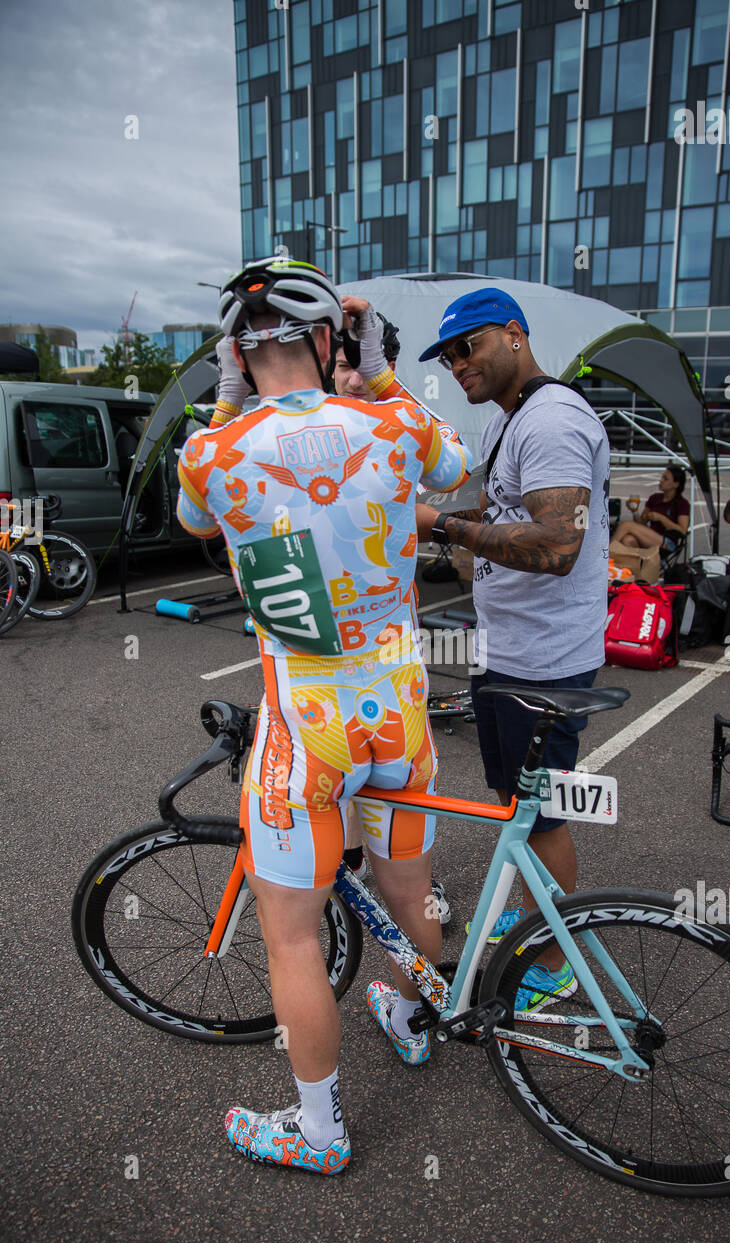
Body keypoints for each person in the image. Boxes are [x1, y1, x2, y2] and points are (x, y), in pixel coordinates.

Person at [176, 257, 469, 1174]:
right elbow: (452, 469)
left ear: (235, 350)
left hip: (307, 721)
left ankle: (320, 1132)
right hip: (399, 710)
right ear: (328, 339)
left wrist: (228, 401)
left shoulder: (211, 452)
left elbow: (194, 523)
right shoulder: (389, 425)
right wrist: (377, 368)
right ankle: (418, 1014)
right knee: (411, 889)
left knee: (293, 934)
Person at [415, 288, 610, 1010]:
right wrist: (428, 526)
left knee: (542, 810)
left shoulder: (552, 420)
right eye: (448, 354)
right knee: (512, 799)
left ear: (515, 335)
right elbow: (500, 516)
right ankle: (535, 907)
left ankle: (559, 953)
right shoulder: (512, 418)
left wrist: (441, 526)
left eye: (469, 346)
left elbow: (559, 543)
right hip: (513, 649)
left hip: (546, 660)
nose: (457, 363)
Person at [331, 317, 452, 926]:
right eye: (344, 365)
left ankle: (414, 1003)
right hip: (322, 676)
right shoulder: (291, 436)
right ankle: (353, 862)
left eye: (367, 365)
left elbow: (452, 461)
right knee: (348, 816)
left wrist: (380, 380)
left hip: (386, 670)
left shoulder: (393, 425)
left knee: (408, 885)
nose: (353, 379)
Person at [610, 466, 689, 553]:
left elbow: (682, 531)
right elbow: (641, 523)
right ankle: (636, 565)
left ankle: (604, 555)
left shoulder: (682, 503)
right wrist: (634, 510)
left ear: (676, 484)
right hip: (648, 538)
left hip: (667, 543)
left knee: (626, 525)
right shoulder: (654, 498)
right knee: (628, 540)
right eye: (662, 477)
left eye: (665, 479)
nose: (661, 480)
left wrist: (661, 518)